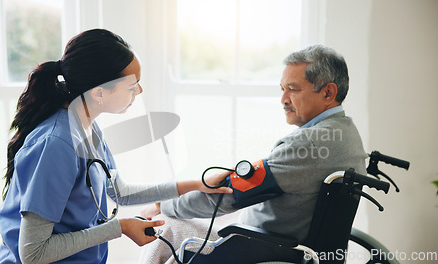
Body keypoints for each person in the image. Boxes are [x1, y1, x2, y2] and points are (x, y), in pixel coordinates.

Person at [0, 28, 231, 264]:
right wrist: (120, 227)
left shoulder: (86, 126)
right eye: (131, 86)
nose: (139, 91)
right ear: (99, 92)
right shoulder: (56, 145)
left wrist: (196, 184)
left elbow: (119, 192)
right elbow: (32, 253)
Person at [140, 45, 368, 263]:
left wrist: (162, 206)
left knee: (166, 225)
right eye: (282, 89)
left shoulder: (307, 143)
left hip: (263, 247)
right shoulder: (347, 133)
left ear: (328, 92)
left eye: (293, 89)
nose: (283, 99)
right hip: (286, 237)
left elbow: (229, 194)